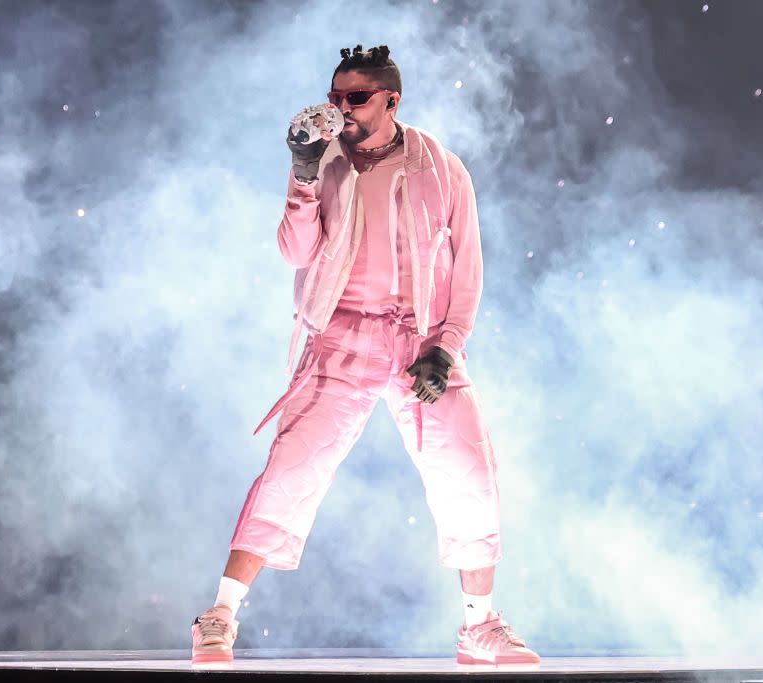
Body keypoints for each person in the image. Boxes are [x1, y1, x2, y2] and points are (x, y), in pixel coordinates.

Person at [191, 44, 539, 669]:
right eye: (335, 97)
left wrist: (446, 348)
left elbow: (468, 272)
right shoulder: (323, 163)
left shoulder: (441, 166)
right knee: (292, 466)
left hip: (420, 339)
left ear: (390, 100)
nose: (341, 110)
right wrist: (300, 176)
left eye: (355, 98)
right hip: (342, 332)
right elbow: (294, 253)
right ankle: (218, 615)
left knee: (468, 466)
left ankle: (479, 627)